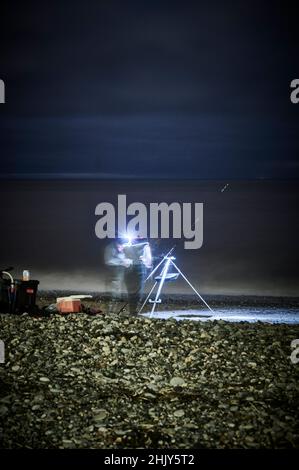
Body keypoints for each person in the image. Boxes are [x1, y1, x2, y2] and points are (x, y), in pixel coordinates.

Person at [123, 239, 152, 316]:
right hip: (133, 269)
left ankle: (133, 311)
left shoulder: (144, 245)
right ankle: (133, 311)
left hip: (134, 269)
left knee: (133, 291)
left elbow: (148, 262)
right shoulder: (144, 245)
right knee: (135, 292)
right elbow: (149, 263)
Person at [104, 239, 132, 313]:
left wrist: (128, 262)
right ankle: (110, 311)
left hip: (120, 275)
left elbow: (126, 259)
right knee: (114, 294)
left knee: (117, 293)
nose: (123, 248)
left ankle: (114, 311)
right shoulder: (110, 248)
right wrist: (122, 262)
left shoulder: (121, 249)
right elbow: (108, 260)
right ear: (118, 244)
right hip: (113, 275)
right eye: (122, 246)